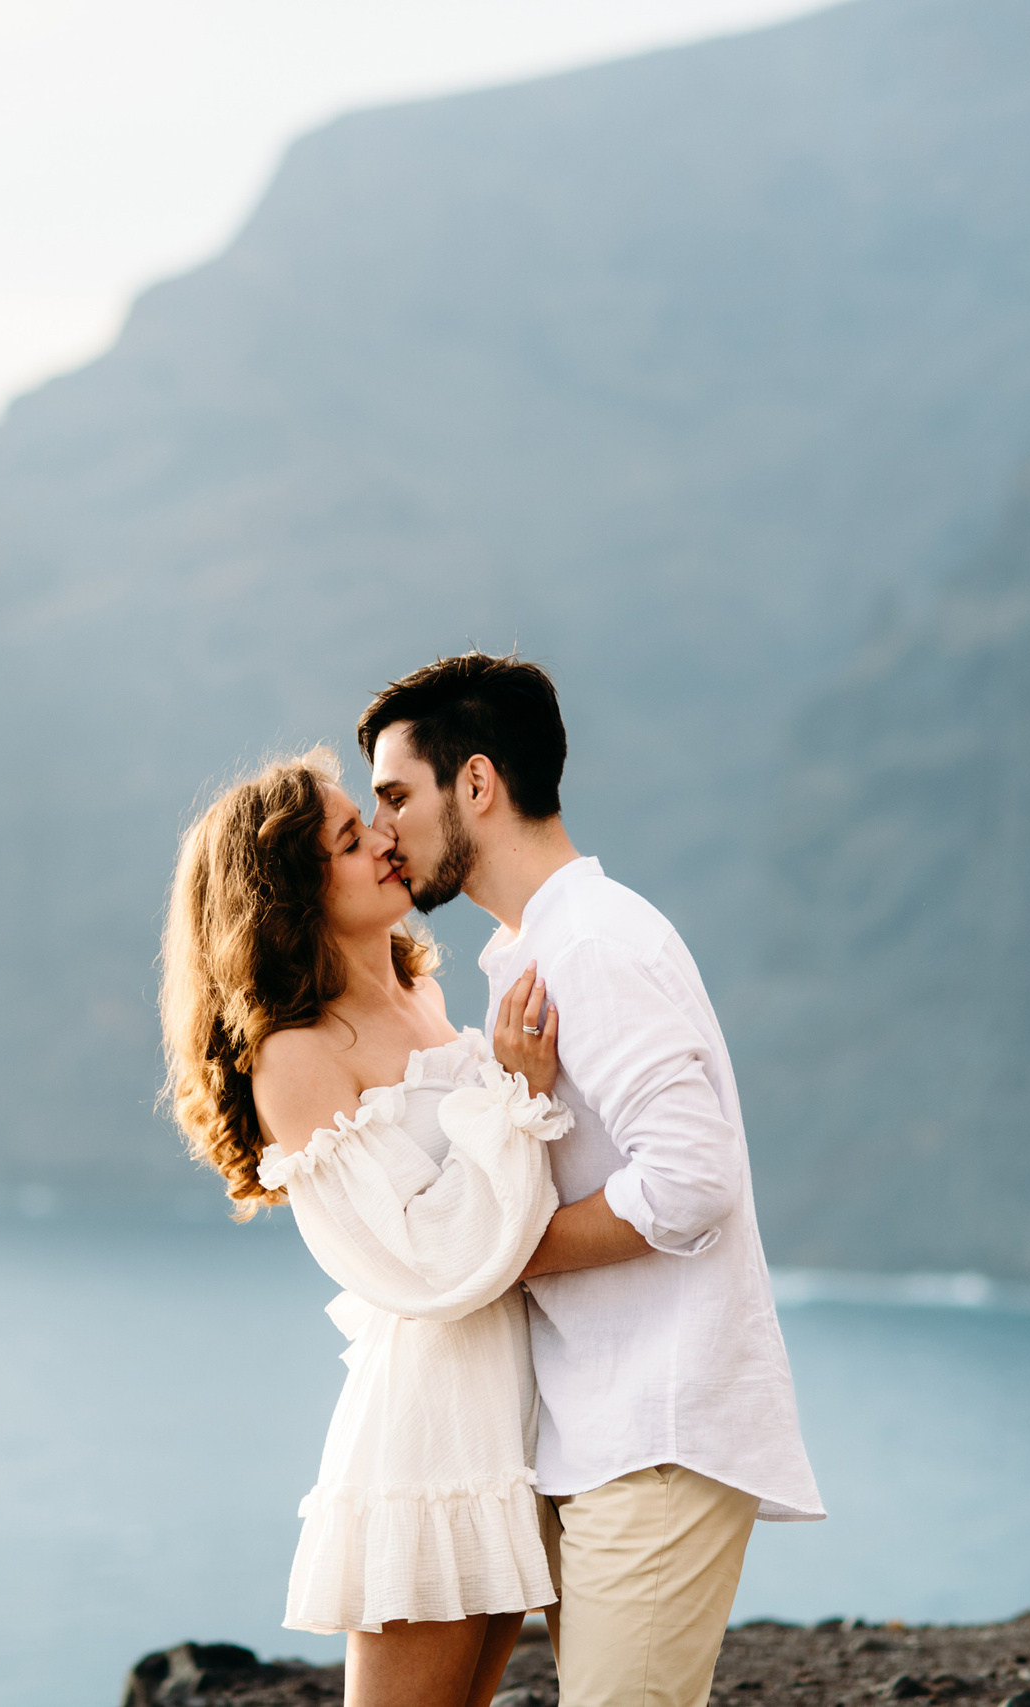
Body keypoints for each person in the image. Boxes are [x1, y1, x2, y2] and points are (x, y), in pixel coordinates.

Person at [360, 652, 824, 1707]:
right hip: (595, 1431)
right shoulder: (534, 950)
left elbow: (693, 1178)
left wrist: (506, 1255)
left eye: (395, 796)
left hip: (658, 1432)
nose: (381, 831)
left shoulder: (597, 946)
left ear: (477, 783)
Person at [159, 746, 575, 1707]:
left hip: (505, 1417)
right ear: (292, 894)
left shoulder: (423, 995)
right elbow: (423, 1263)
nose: (387, 839)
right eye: (351, 838)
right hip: (431, 1437)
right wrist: (515, 1096)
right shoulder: (296, 1054)